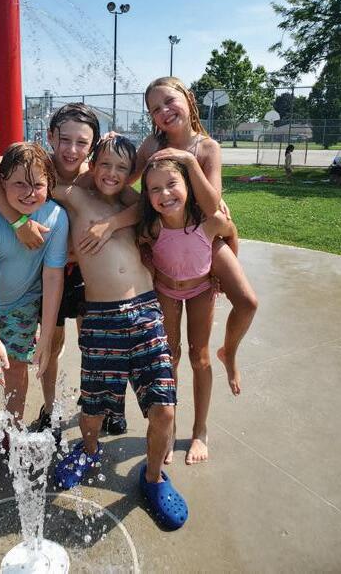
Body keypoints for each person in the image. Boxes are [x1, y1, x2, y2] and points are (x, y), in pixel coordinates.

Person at [79, 77, 258, 461]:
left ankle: (216, 388)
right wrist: (102, 154)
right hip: (166, 243)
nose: (164, 111)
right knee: (170, 354)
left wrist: (190, 162)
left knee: (242, 307)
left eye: (169, 101)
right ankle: (169, 427)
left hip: (202, 238)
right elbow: (117, 179)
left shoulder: (206, 148)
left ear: (188, 99)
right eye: (155, 109)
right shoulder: (151, 146)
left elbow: (213, 208)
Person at [0, 104, 127, 435]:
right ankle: (49, 407)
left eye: (82, 142)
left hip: (82, 270)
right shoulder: (38, 164)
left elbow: (133, 193)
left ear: (93, 145)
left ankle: (106, 402)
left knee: (94, 341)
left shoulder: (96, 173)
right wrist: (17, 221)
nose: (72, 149)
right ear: (51, 136)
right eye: (65, 139)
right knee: (50, 345)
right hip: (44, 269)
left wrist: (113, 223)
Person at [53, 136, 187, 531]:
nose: (112, 173)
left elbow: (151, 203)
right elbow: (27, 184)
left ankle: (154, 477)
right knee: (93, 408)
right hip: (101, 319)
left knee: (164, 407)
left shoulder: (135, 205)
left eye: (122, 168)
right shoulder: (78, 197)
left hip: (147, 314)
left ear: (132, 175)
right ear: (93, 164)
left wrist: (112, 222)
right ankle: (89, 449)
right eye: (105, 164)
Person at [0, 142, 68, 435]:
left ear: (50, 184)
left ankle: (13, 431)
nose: (29, 193)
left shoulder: (56, 218)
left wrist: (46, 337)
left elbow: (53, 277)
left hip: (23, 301)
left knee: (16, 367)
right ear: (2, 182)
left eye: (38, 185)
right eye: (20, 183)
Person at [138, 158, 238, 466]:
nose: (165, 194)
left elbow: (231, 232)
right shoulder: (151, 228)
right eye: (155, 189)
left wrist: (223, 270)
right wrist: (150, 267)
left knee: (200, 357)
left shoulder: (209, 221)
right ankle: (170, 429)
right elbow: (141, 248)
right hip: (166, 291)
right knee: (170, 357)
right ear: (147, 196)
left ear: (188, 186)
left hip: (201, 290)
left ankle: (200, 430)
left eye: (172, 184)